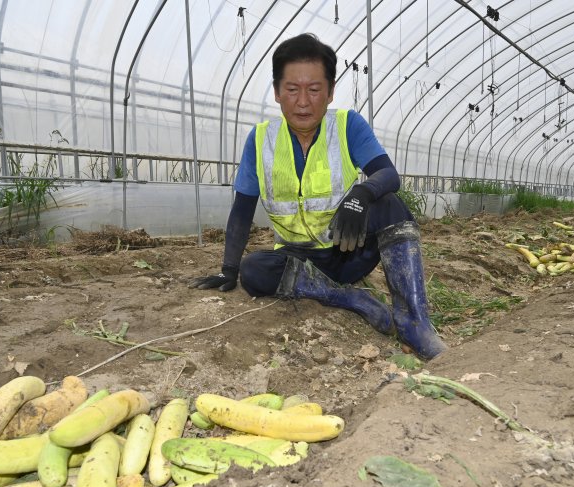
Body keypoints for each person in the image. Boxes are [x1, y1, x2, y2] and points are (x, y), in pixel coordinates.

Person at [190, 33, 446, 360]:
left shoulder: (347, 125)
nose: (303, 101)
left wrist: (361, 194)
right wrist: (228, 269)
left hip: (346, 250)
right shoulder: (260, 140)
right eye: (292, 90)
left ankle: (414, 322)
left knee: (390, 205)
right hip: (299, 263)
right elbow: (242, 210)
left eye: (313, 90)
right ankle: (349, 299)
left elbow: (388, 175)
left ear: (330, 93)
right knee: (252, 270)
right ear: (277, 92)